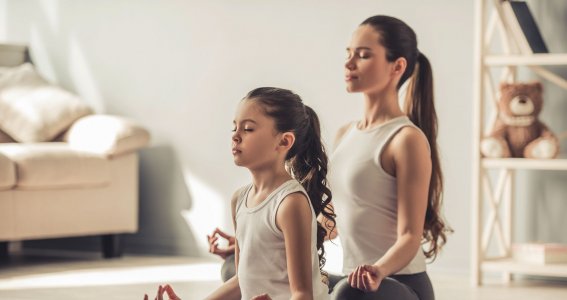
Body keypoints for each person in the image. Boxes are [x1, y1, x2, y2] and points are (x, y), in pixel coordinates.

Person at [145, 87, 336, 300]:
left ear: (284, 142)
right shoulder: (239, 199)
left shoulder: (290, 203)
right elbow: (240, 281)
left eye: (248, 129)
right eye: (234, 127)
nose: (236, 136)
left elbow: (302, 294)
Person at [325, 15, 450, 300]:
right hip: (354, 282)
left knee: (347, 293)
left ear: (398, 66)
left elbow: (409, 236)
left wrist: (378, 271)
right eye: (349, 54)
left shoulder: (406, 139)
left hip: (401, 284)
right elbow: (330, 224)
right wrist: (256, 242)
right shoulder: (345, 134)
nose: (349, 63)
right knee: (246, 270)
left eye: (364, 55)